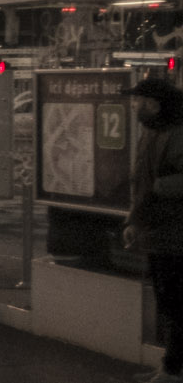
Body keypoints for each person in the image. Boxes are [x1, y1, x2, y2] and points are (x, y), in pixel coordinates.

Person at [126, 78, 183, 383]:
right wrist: (133, 221)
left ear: (155, 104)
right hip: (157, 232)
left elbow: (154, 185)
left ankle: (172, 370)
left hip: (175, 233)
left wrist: (164, 185)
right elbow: (140, 184)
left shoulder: (176, 134)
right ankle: (171, 367)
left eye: (139, 101)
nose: (134, 106)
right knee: (168, 302)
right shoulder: (150, 133)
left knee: (174, 303)